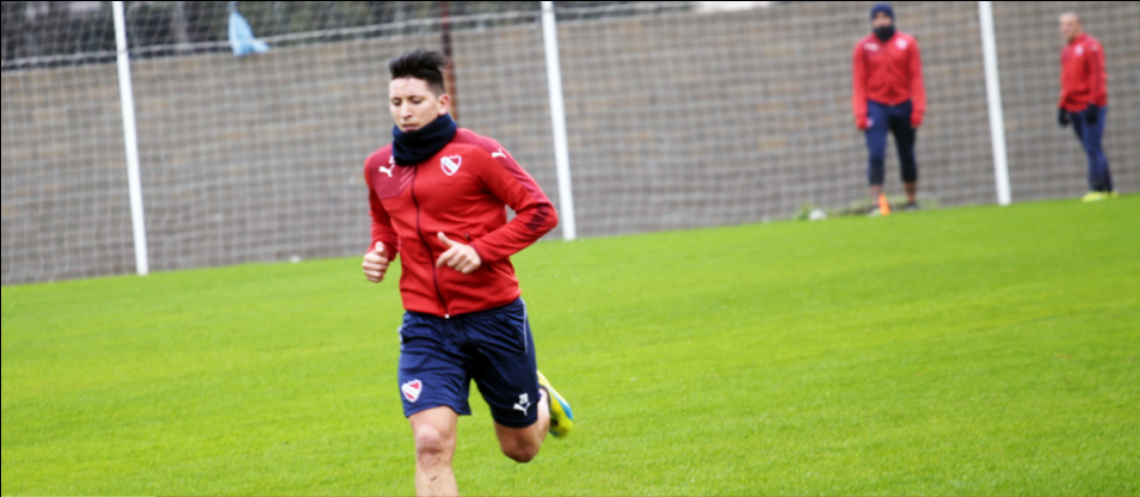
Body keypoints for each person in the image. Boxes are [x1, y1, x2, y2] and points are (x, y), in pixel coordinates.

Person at [360, 49, 574, 496]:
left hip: (494, 317)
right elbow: (386, 218)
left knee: (520, 448)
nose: (405, 111)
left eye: (415, 100)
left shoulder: (479, 153)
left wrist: (482, 251)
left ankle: (540, 400)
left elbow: (540, 213)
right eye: (396, 102)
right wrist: (381, 249)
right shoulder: (379, 166)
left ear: (442, 102)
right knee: (430, 442)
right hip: (425, 325)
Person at [851, 3, 926, 212]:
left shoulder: (907, 43)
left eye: (885, 17)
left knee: (907, 154)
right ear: (872, 21)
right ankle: (877, 202)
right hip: (876, 106)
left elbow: (916, 78)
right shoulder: (863, 47)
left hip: (903, 105)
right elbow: (859, 82)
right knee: (876, 154)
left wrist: (918, 109)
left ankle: (911, 200)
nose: (882, 21)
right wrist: (860, 113)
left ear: (892, 19)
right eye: (877, 18)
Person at [1056, 12, 1116, 202]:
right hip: (1073, 107)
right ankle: (1108, 188)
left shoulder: (1091, 46)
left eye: (1070, 24)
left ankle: (1096, 188)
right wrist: (1062, 106)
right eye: (1063, 25)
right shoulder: (1066, 51)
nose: (1066, 28)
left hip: (1091, 106)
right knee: (1091, 147)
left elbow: (1098, 76)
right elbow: (1066, 81)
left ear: (1079, 24)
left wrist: (1094, 102)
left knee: (1092, 147)